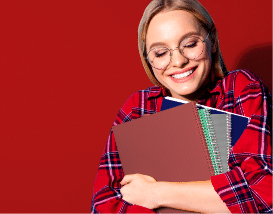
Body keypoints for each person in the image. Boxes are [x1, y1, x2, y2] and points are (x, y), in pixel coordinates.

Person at [91, 0, 272, 213]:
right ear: (148, 60)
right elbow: (104, 205)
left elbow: (263, 195)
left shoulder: (240, 89)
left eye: (190, 44)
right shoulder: (139, 108)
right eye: (160, 53)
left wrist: (155, 193)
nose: (178, 61)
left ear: (211, 40)